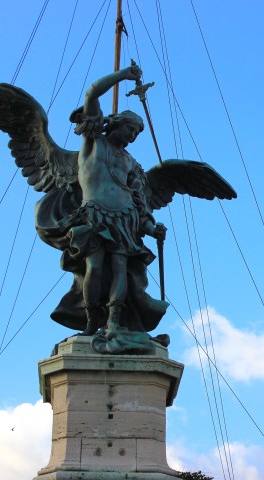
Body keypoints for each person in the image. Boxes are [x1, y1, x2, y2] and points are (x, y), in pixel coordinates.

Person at [62, 64, 168, 337]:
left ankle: (114, 320)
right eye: (130, 130)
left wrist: (149, 227)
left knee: (120, 268)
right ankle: (90, 320)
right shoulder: (93, 141)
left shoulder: (131, 163)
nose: (132, 137)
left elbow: (139, 201)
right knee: (94, 267)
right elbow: (91, 94)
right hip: (95, 213)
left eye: (136, 134)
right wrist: (123, 76)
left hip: (125, 217)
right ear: (117, 123)